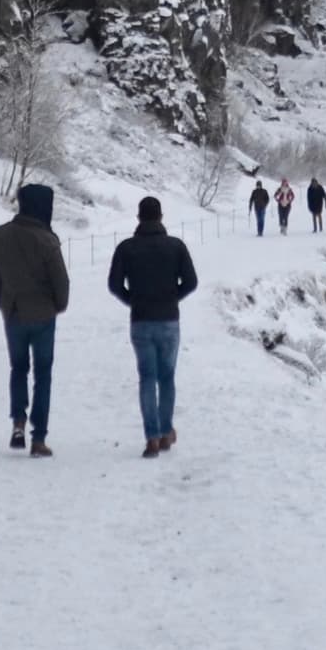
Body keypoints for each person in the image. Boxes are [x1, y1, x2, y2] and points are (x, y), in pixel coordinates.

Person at [106, 195, 199, 455]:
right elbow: (191, 282)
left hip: (141, 320)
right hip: (168, 319)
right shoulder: (176, 246)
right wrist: (172, 297)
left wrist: (133, 300)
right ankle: (166, 430)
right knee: (166, 377)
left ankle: (152, 437)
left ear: (139, 217)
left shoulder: (126, 248)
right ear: (161, 217)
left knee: (147, 378)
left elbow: (114, 284)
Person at [0, 181, 67, 455]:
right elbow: (60, 281)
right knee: (43, 375)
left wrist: (3, 301)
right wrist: (58, 305)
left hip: (14, 313)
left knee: (18, 369)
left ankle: (18, 423)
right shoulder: (48, 240)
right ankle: (38, 438)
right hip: (43, 316)